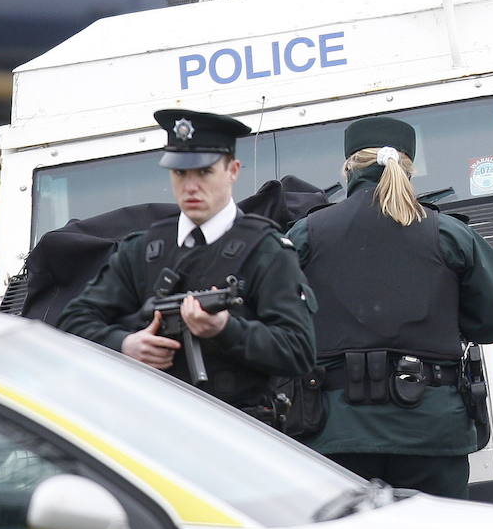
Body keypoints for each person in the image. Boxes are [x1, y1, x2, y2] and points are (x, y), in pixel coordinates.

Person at [286, 116, 493, 499]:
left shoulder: (306, 234)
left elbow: (273, 315)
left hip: (337, 433)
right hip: (431, 431)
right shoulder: (447, 233)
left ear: (348, 169)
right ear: (408, 169)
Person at [59, 109, 316, 414]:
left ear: (232, 170)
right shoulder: (143, 249)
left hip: (237, 426)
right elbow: (72, 323)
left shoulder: (266, 250)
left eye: (204, 172)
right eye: (180, 173)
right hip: (153, 424)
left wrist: (225, 329)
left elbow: (298, 351)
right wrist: (125, 345)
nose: (191, 186)